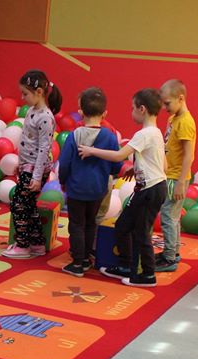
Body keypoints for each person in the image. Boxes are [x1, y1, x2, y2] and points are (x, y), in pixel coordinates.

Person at [80, 89, 167, 287]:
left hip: (150, 190)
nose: (131, 112)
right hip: (149, 187)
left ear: (142, 109)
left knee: (141, 232)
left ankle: (147, 274)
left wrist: (91, 151)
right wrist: (138, 169)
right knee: (123, 225)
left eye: (133, 108)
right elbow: (162, 165)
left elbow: (119, 155)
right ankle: (126, 264)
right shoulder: (156, 133)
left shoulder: (144, 134)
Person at [57, 87, 122, 276]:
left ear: (80, 112)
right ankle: (86, 258)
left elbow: (65, 163)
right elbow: (116, 164)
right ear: (105, 113)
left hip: (76, 189)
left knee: (76, 224)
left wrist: (63, 180)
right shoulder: (109, 136)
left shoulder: (74, 136)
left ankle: (78, 262)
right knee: (91, 223)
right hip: (98, 189)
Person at [1, 70, 62, 259]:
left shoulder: (45, 117)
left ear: (39, 92)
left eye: (25, 93)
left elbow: (44, 149)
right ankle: (37, 244)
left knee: (19, 205)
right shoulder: (32, 111)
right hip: (28, 167)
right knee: (28, 205)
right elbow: (28, 142)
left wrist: (36, 177)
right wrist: (21, 163)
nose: (22, 97)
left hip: (35, 170)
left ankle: (23, 245)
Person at [155, 79, 196, 272]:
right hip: (170, 174)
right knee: (172, 216)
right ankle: (173, 252)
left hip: (176, 177)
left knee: (167, 216)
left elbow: (189, 155)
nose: (164, 108)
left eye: (167, 103)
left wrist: (180, 182)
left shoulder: (185, 122)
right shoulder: (174, 119)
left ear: (180, 98)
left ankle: (169, 258)